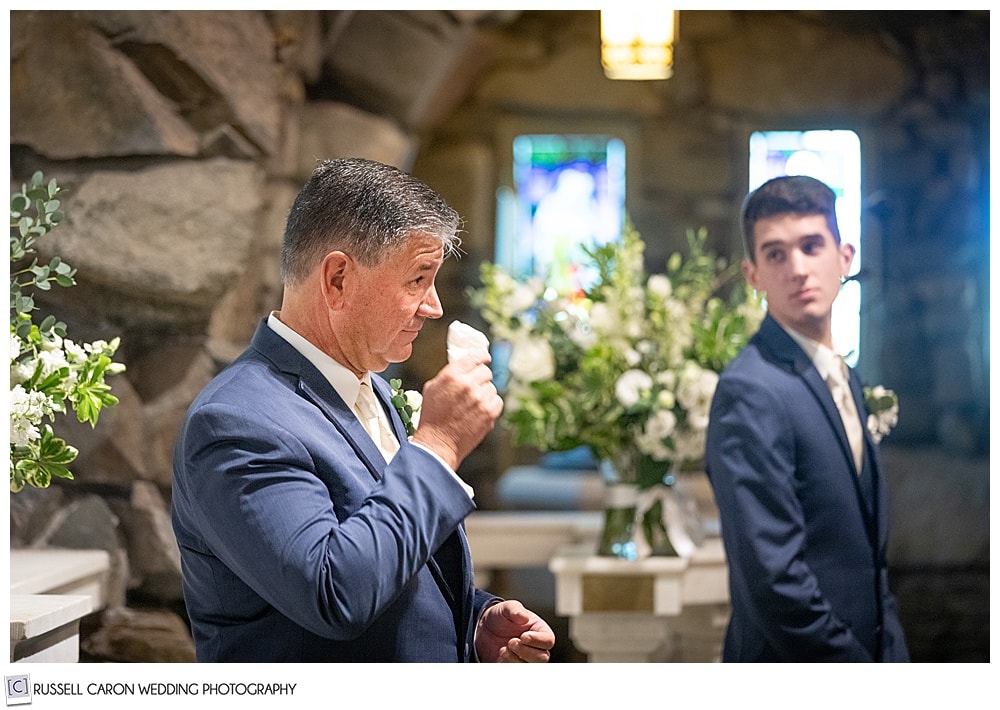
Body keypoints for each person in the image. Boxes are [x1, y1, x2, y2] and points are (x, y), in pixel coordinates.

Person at [171, 157, 555, 662]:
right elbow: (334, 593)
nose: (435, 305)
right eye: (418, 278)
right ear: (337, 280)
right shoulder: (237, 422)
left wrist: (472, 621)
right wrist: (437, 447)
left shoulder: (365, 385)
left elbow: (389, 561)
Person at [705, 174, 909, 662]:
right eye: (775, 254)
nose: (797, 268)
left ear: (845, 257)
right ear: (753, 275)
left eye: (812, 245)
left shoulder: (844, 377)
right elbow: (775, 582)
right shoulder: (750, 391)